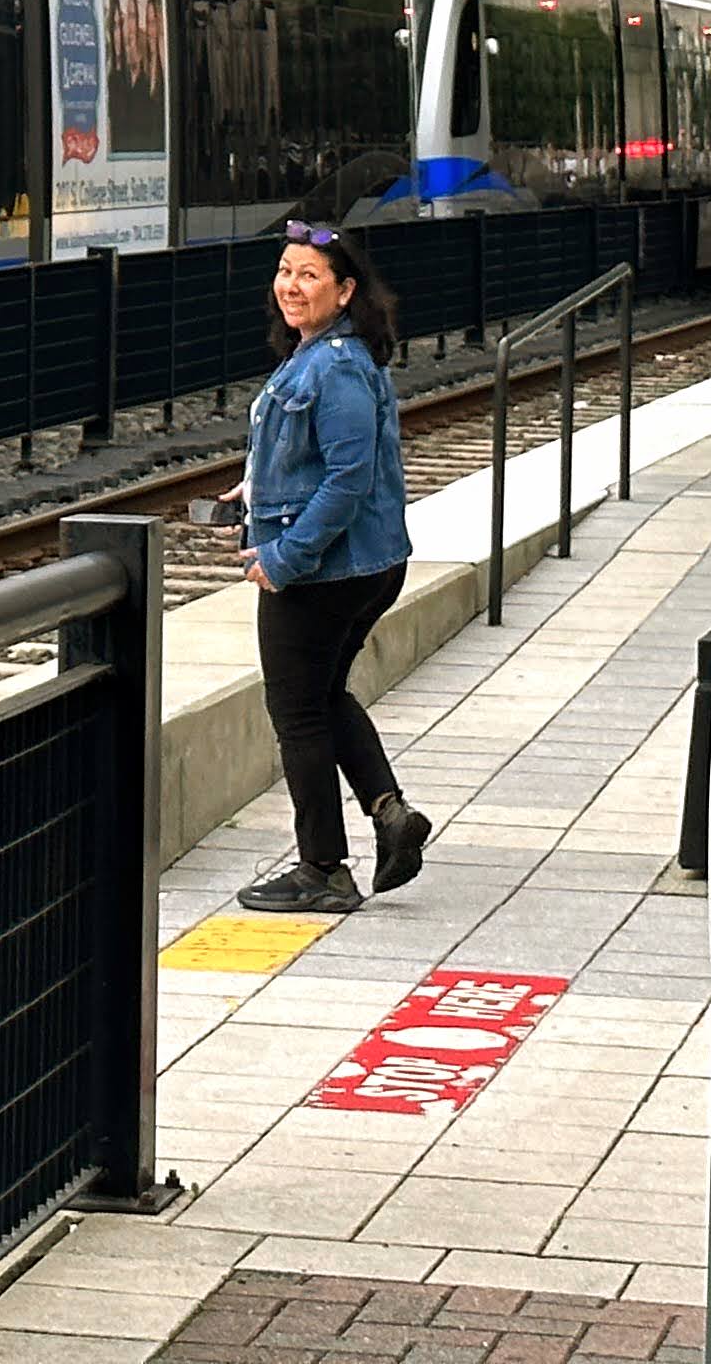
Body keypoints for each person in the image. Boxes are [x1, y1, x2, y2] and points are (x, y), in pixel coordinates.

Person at [235, 220, 429, 914]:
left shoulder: (336, 365)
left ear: (345, 291)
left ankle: (323, 869)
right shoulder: (320, 354)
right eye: (286, 271)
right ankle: (389, 812)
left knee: (297, 715)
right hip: (361, 564)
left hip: (328, 571)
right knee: (325, 695)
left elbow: (348, 477)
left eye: (309, 275)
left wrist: (286, 559)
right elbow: (317, 457)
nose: (291, 285)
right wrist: (256, 485)